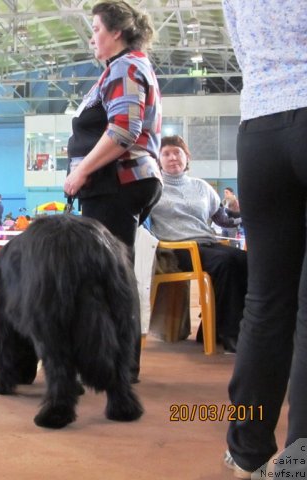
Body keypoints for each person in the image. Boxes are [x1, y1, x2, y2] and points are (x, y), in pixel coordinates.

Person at [222, 1, 307, 477]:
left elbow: (241, 46)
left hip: (259, 129)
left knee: (266, 301)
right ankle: (299, 463)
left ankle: (245, 451)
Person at [63, 0, 162, 381]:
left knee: (111, 274)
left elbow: (123, 130)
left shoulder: (125, 66)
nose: (93, 39)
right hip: (122, 182)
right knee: (112, 272)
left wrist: (80, 172)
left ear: (116, 33)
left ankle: (118, 365)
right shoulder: (123, 68)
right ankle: (114, 361)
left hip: (116, 183)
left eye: (97, 30)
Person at [149, 135, 246, 354]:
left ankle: (213, 330)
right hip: (176, 250)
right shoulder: (153, 187)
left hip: (207, 244)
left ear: (186, 157)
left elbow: (224, 219)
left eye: (177, 152)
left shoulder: (202, 186)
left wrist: (249, 214)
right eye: (166, 153)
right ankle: (230, 334)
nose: (173, 157)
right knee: (227, 262)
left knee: (247, 261)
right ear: (158, 159)